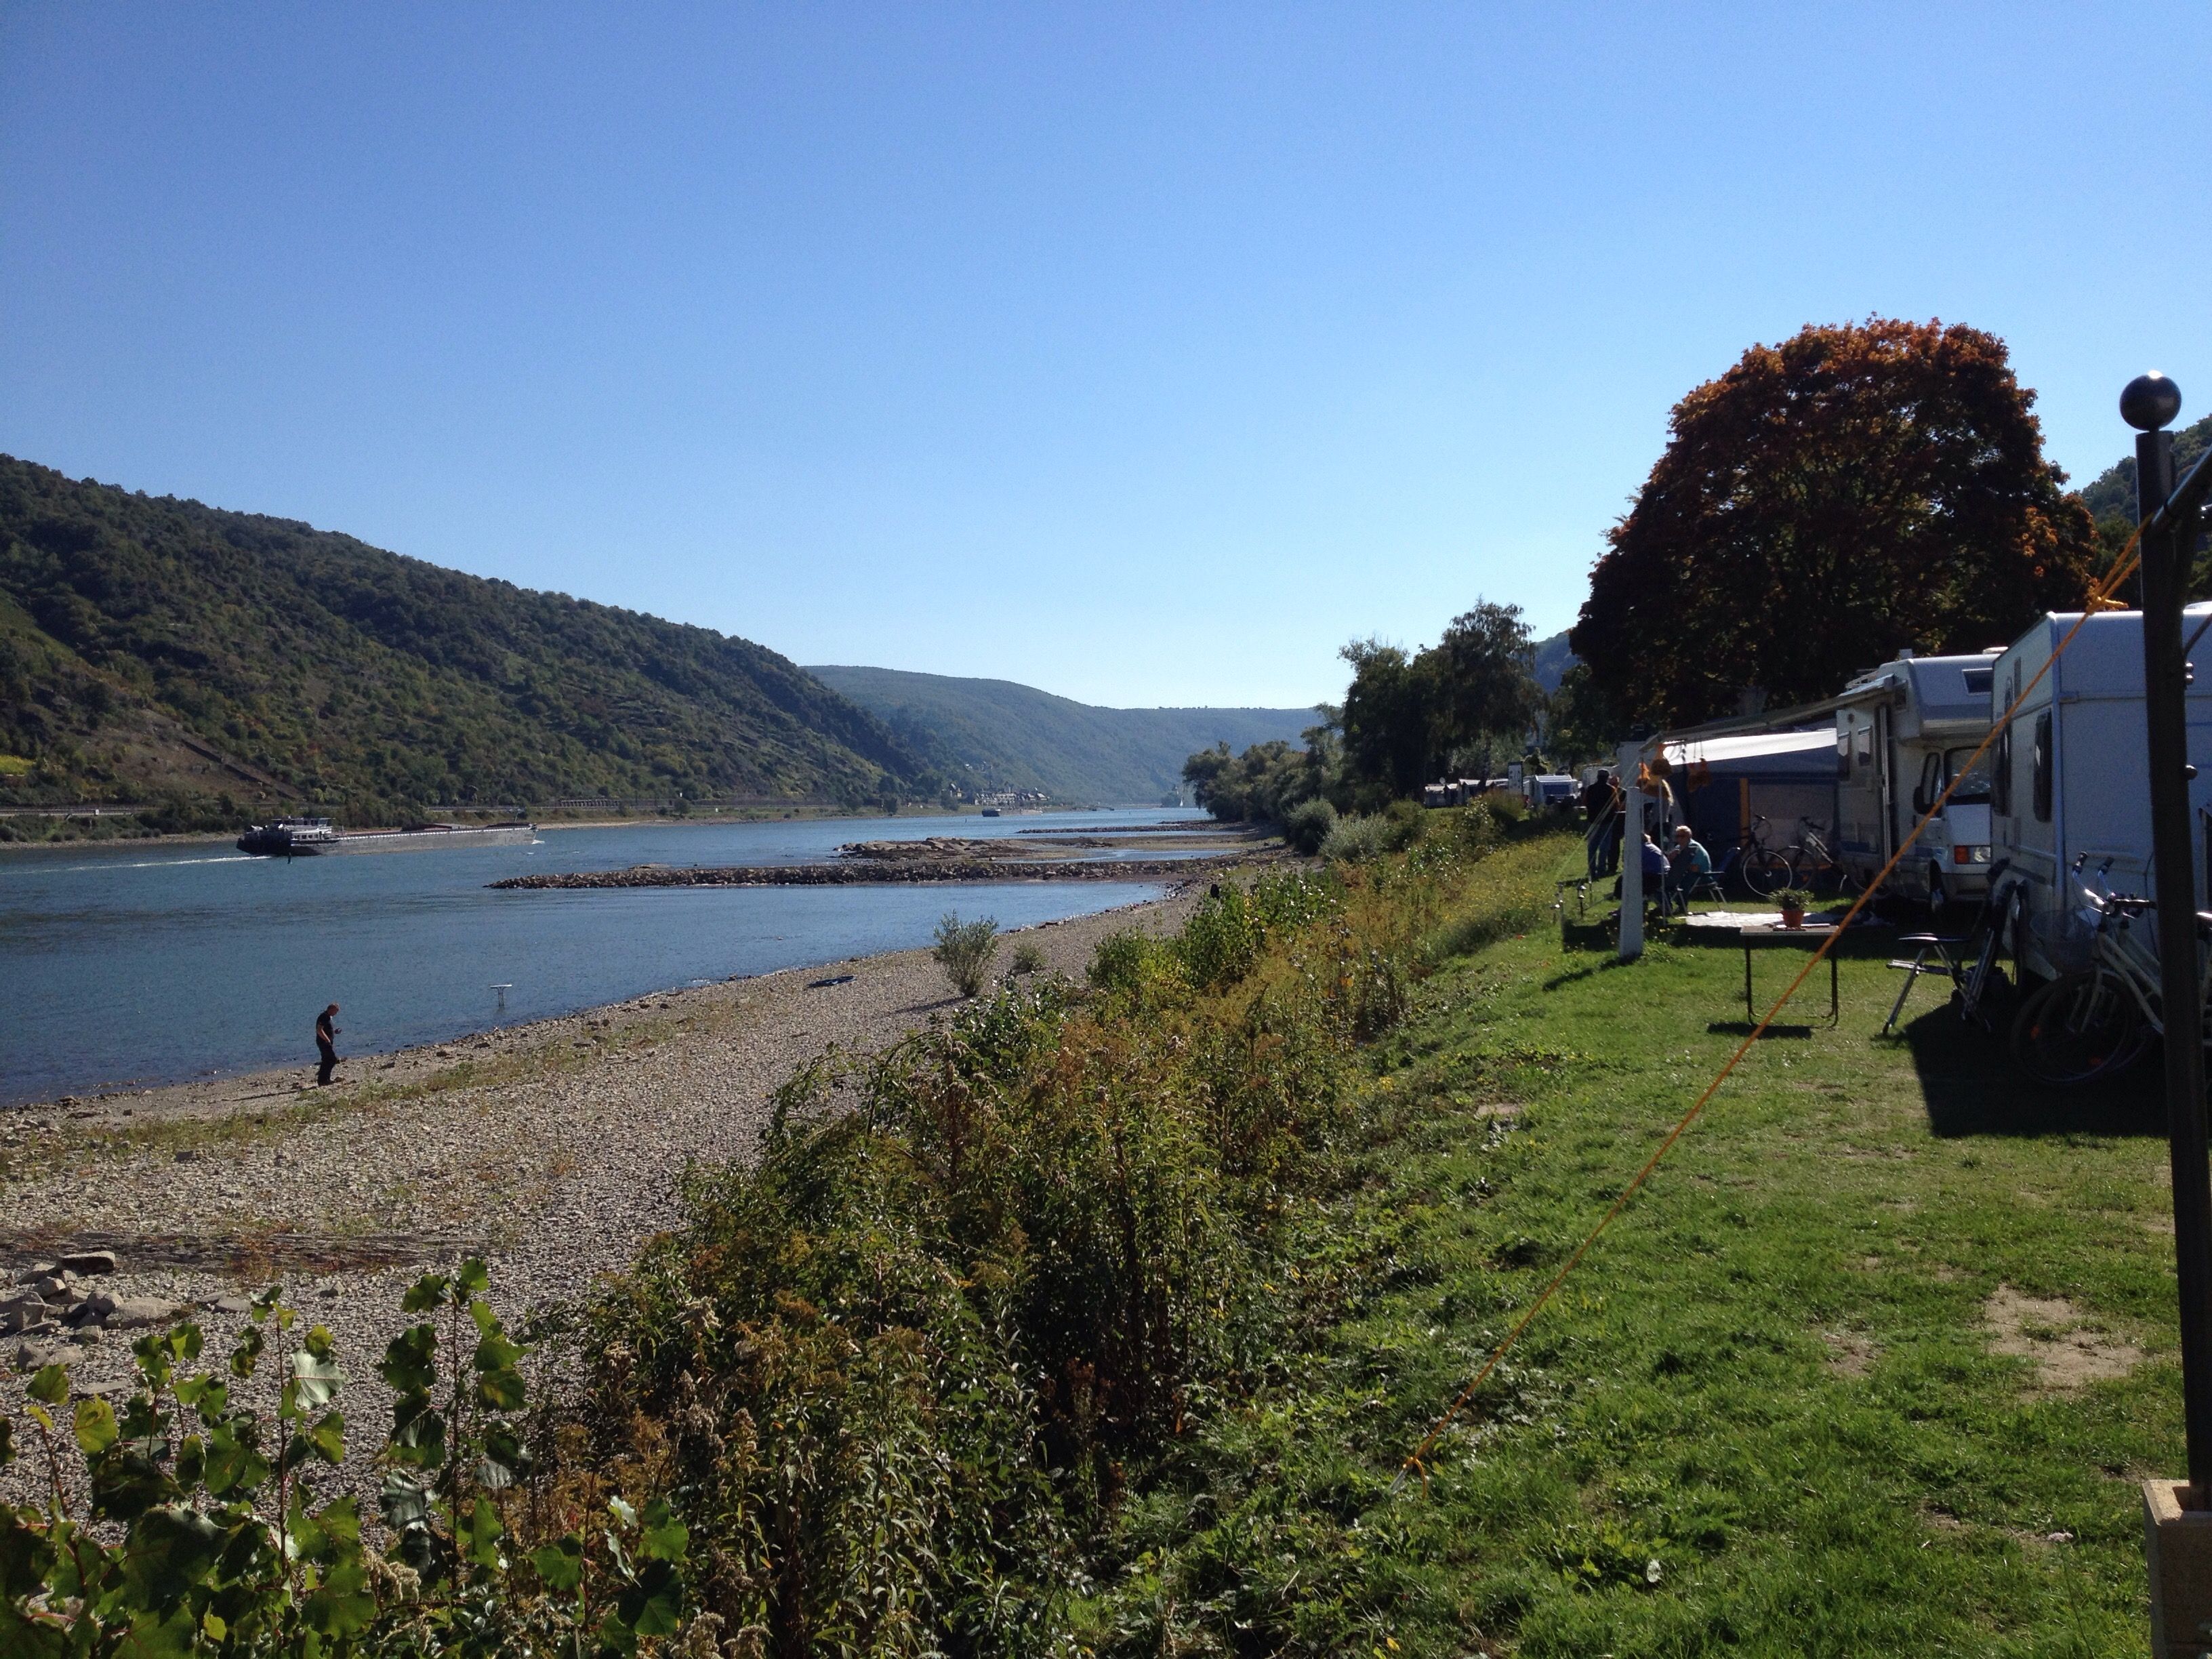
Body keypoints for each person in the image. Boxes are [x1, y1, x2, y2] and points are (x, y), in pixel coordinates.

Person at [1667, 824, 1713, 913]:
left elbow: (1695, 868)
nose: (1679, 839)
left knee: (1684, 881)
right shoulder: (1678, 848)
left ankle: (1682, 907)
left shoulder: (1695, 848)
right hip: (1687, 874)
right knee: (1670, 879)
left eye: (1682, 836)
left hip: (1702, 876)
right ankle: (1666, 906)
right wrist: (1671, 858)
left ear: (1689, 836)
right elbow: (1669, 864)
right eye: (1677, 836)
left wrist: (1680, 864)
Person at [1638, 834, 1671, 914]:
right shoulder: (1652, 847)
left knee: (1633, 881)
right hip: (1666, 875)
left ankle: (1639, 905)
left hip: (1656, 877)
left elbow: (1634, 866)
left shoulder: (1641, 849)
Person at [315, 1002, 341, 1087]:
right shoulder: (324, 1017)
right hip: (324, 1042)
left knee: (327, 1060)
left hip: (327, 1042)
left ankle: (325, 1079)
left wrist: (334, 1032)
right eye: (335, 1012)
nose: (335, 1014)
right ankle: (322, 1080)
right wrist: (327, 1040)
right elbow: (319, 1030)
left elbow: (327, 1029)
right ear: (331, 1009)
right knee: (331, 1059)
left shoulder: (328, 1017)